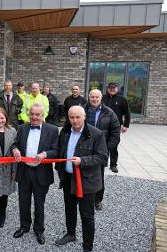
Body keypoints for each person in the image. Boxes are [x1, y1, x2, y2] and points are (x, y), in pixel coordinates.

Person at [55, 106, 108, 252]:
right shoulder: (65, 131)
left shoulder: (96, 134)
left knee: (87, 216)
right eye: (71, 117)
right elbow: (60, 151)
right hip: (68, 179)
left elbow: (103, 157)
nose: (75, 120)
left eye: (78, 117)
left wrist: (82, 161)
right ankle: (71, 234)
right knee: (69, 209)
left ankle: (87, 246)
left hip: (87, 181)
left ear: (84, 116)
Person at [10, 103, 59, 244]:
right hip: (24, 171)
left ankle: (39, 230)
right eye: (32, 114)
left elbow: (56, 151)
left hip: (41, 172)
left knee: (39, 203)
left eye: (37, 114)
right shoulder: (22, 128)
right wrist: (15, 150)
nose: (34, 117)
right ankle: (24, 226)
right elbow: (15, 144)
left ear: (43, 115)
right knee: (23, 201)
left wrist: (45, 154)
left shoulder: (53, 130)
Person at [84, 89, 120, 211]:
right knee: (81, 173)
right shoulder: (82, 110)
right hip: (83, 149)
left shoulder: (109, 113)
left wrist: (105, 149)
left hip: (100, 152)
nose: (94, 99)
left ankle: (97, 200)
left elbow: (115, 134)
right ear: (88, 97)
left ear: (101, 98)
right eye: (92, 97)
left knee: (98, 176)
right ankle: (82, 196)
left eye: (97, 97)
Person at [102, 82, 131, 173]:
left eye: (114, 88)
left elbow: (127, 113)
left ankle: (113, 165)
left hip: (115, 127)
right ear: (107, 89)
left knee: (113, 146)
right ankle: (103, 162)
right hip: (103, 126)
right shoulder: (102, 98)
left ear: (117, 89)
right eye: (110, 88)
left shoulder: (122, 99)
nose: (112, 89)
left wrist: (126, 125)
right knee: (102, 145)